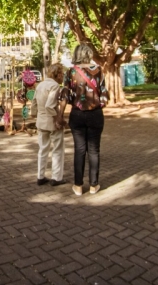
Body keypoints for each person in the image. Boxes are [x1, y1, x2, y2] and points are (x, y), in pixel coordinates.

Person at [64, 44, 108, 196]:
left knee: (79, 150)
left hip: (77, 114)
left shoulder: (70, 72)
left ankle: (78, 185)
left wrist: (59, 115)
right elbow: (104, 96)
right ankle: (93, 185)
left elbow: (66, 96)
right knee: (94, 150)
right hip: (95, 114)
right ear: (89, 54)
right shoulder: (98, 70)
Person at [34, 63, 66, 187]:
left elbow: (34, 103)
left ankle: (40, 176)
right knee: (57, 149)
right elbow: (49, 105)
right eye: (62, 74)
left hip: (41, 121)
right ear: (57, 74)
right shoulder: (55, 86)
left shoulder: (40, 85)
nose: (63, 76)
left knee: (43, 149)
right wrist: (57, 119)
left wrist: (34, 114)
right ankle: (56, 178)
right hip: (52, 122)